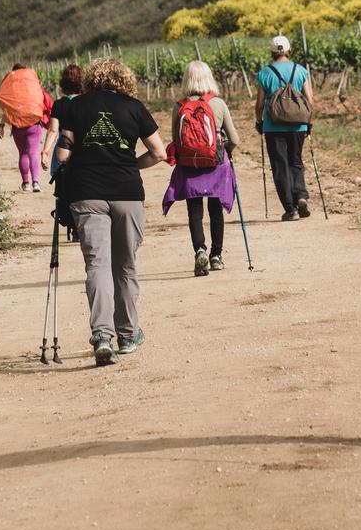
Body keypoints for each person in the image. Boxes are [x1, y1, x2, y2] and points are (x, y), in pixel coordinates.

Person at [51, 56, 164, 365]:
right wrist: (130, 163)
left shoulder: (75, 107)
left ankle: (103, 336)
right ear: (124, 79)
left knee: (97, 266)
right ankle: (128, 335)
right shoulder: (134, 108)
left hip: (87, 194)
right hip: (127, 193)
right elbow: (159, 152)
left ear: (91, 79)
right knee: (125, 266)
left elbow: (63, 153)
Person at [160, 59, 244, 275]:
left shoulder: (179, 107)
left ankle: (200, 250)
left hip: (189, 164)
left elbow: (176, 141)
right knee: (216, 209)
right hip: (215, 164)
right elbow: (234, 138)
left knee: (194, 211)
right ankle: (217, 256)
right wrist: (224, 151)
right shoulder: (218, 104)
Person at [255, 34, 313, 219]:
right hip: (298, 126)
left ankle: (290, 209)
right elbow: (310, 102)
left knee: (280, 166)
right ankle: (301, 195)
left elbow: (259, 104)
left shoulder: (265, 72)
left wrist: (259, 122)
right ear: (289, 50)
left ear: (272, 52)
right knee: (296, 162)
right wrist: (308, 123)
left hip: (274, 126)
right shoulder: (301, 70)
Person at [0, 61, 53, 192]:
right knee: (33, 153)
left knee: (23, 154)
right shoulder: (33, 86)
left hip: (17, 126)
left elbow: (7, 109)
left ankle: (26, 183)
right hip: (34, 123)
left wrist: (2, 125)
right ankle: (36, 183)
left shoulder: (12, 90)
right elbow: (47, 102)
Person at [44, 63, 82, 187]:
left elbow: (53, 130)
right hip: (84, 147)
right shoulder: (88, 102)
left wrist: (45, 152)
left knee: (61, 186)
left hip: (63, 148)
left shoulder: (59, 104)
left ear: (63, 82)